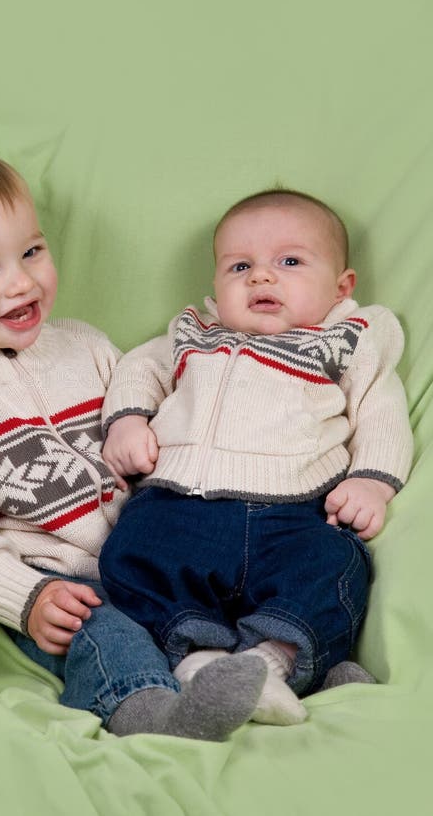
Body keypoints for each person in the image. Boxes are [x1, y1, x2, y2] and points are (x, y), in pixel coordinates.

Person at [0, 140, 271, 741]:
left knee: (251, 570)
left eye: (31, 251)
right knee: (102, 632)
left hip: (152, 553)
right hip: (61, 583)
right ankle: (150, 712)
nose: (21, 282)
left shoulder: (86, 346)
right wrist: (24, 595)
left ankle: (298, 665)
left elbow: (160, 417)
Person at [99, 189, 413, 726]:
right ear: (217, 288)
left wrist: (372, 482)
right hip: (180, 503)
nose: (261, 277)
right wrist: (127, 420)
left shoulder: (345, 341)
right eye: (240, 265)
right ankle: (200, 663)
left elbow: (381, 411)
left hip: (295, 513)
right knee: (130, 554)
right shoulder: (194, 333)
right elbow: (137, 368)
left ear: (342, 286)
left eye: (289, 262)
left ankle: (273, 661)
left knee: (334, 566)